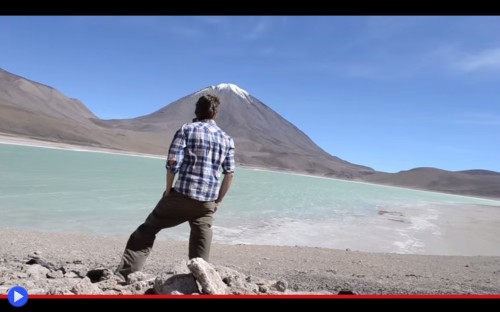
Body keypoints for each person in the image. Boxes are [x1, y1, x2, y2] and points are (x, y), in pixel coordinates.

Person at [116, 94, 235, 280]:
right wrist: (218, 201)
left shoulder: (187, 129)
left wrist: (168, 190)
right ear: (215, 114)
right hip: (207, 203)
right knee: (200, 242)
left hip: (181, 195)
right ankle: (201, 281)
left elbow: (173, 163)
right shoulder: (227, 139)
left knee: (147, 230)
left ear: (197, 111)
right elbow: (229, 173)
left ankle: (125, 275)